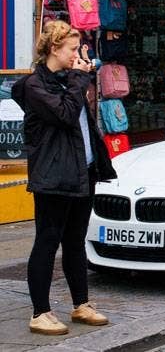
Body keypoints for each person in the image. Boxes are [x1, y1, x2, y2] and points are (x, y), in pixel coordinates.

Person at [10, 20, 117, 336]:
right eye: (73, 49)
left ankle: (80, 304)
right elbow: (65, 114)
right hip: (54, 176)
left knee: (75, 241)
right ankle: (40, 312)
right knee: (47, 241)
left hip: (82, 173)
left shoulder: (68, 80)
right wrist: (79, 79)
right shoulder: (35, 86)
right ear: (55, 48)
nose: (78, 55)